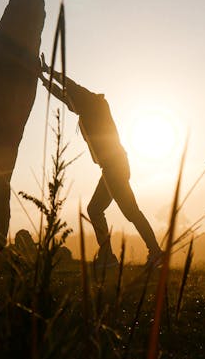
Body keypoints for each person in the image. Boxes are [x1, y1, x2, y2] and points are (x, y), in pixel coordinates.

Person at [39, 57, 162, 268]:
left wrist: (50, 71)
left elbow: (69, 87)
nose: (70, 106)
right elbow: (65, 96)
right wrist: (44, 79)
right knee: (97, 209)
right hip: (113, 167)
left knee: (128, 211)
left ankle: (152, 253)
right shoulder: (86, 107)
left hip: (115, 167)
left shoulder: (94, 104)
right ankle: (113, 256)